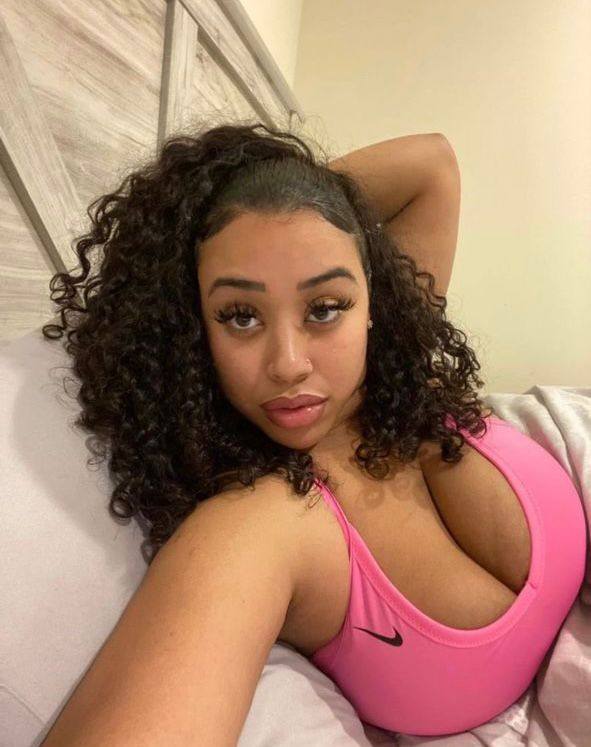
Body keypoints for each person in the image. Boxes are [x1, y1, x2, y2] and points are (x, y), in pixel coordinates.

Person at [40, 121, 587, 743]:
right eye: (239, 316)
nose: (289, 364)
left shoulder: (398, 367)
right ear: (192, 327)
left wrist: (278, 199)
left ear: (372, 296)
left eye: (324, 307)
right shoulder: (260, 526)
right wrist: (188, 245)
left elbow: (431, 163)